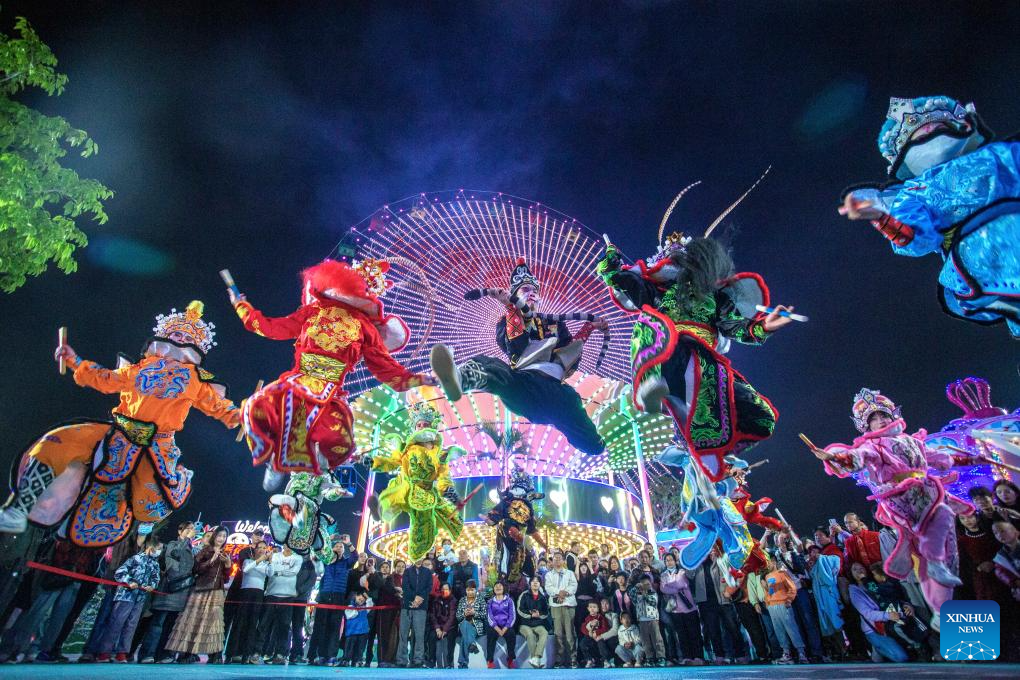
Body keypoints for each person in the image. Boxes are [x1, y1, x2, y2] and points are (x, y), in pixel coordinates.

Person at [0, 302, 239, 542]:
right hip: (118, 431)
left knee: (150, 504)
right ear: (165, 336)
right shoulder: (139, 368)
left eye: (188, 338)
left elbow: (218, 406)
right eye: (177, 334)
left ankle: (180, 479)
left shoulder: (197, 381)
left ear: (197, 346)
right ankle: (19, 509)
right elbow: (106, 379)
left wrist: (245, 415)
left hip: (157, 446)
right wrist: (74, 361)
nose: (181, 340)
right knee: (58, 442)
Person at [597, 199, 794, 482]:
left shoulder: (715, 297)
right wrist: (612, 263)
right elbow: (621, 280)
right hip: (666, 346)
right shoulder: (658, 291)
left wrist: (764, 326)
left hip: (707, 364)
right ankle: (654, 379)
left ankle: (712, 450)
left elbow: (734, 326)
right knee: (664, 333)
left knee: (763, 418)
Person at [230, 258, 432, 490]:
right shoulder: (314, 311)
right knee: (256, 407)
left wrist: (421, 379)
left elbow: (386, 368)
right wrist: (241, 306)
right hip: (297, 381)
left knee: (337, 440)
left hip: (329, 393)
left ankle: (315, 475)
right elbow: (272, 328)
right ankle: (274, 460)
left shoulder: (366, 328)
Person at [839, 95, 1020, 338]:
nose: (928, 132)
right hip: (977, 257)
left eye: (935, 127)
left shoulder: (997, 154)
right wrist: (880, 218)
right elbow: (918, 239)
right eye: (919, 135)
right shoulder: (914, 192)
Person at [809, 388, 981, 625]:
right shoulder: (873, 445)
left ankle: (942, 609)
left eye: (883, 415)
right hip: (902, 498)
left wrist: (973, 458)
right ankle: (937, 575)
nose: (880, 420)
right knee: (939, 522)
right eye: (874, 419)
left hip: (927, 491)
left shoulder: (912, 441)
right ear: (866, 426)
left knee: (947, 545)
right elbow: (857, 457)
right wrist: (834, 457)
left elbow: (941, 458)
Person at [430, 258, 607, 456]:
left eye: (534, 290)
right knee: (494, 367)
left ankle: (594, 444)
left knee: (575, 409)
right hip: (525, 385)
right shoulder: (504, 322)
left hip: (555, 391)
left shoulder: (555, 324)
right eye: (524, 290)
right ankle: (459, 378)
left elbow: (568, 352)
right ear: (515, 294)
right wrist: (511, 308)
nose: (531, 293)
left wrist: (589, 327)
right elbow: (517, 347)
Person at [368, 403, 463, 561]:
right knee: (393, 498)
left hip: (426, 493)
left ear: (432, 427)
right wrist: (373, 462)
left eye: (425, 424)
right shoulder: (406, 449)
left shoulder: (440, 454)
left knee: (426, 524)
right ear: (414, 428)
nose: (422, 427)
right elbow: (392, 462)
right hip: (406, 486)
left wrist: (449, 492)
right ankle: (380, 511)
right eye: (419, 425)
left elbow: (443, 476)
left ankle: (417, 558)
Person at [165, 525, 232, 663]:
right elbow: (196, 569)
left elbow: (225, 579)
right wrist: (212, 560)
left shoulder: (225, 553)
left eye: (224, 536)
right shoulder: (205, 550)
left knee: (214, 623)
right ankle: (187, 653)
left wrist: (228, 565)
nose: (221, 538)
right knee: (194, 620)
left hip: (217, 592)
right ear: (214, 536)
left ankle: (214, 655)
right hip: (201, 590)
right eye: (219, 535)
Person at [95, 534, 163, 663]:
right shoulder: (135, 559)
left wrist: (151, 586)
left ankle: (122, 653)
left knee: (131, 625)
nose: (159, 551)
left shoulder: (155, 564)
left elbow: (156, 578)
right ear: (150, 548)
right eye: (158, 549)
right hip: (125, 596)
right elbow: (120, 572)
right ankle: (104, 652)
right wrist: (129, 581)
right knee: (116, 622)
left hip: (140, 598)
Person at [141, 522, 196, 663]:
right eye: (188, 529)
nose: (191, 531)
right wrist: (186, 540)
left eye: (192, 529)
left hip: (182, 591)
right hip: (168, 589)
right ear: (180, 531)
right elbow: (174, 555)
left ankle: (163, 654)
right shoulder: (173, 544)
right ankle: (147, 653)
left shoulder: (192, 549)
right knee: (157, 624)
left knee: (170, 626)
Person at [484, 464, 548, 582]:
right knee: (506, 556)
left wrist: (544, 546)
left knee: (525, 562)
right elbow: (493, 518)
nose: (518, 493)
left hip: (519, 540)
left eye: (521, 490)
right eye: (516, 489)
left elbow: (532, 531)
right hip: (507, 535)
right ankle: (505, 578)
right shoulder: (506, 502)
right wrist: (489, 520)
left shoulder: (528, 509)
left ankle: (523, 577)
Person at [847, 562, 908, 663]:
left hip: (892, 624)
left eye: (861, 567)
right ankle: (878, 649)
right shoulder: (854, 591)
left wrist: (906, 605)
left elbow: (893, 597)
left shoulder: (874, 582)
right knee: (901, 657)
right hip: (875, 629)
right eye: (855, 569)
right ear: (851, 574)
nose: (859, 570)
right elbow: (867, 613)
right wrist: (888, 615)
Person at [310, 535, 356, 665]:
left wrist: (349, 543)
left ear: (343, 550)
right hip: (325, 596)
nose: (339, 548)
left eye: (341, 547)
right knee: (322, 626)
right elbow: (316, 555)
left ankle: (331, 656)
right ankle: (321, 655)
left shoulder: (346, 563)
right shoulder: (326, 562)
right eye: (337, 546)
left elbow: (355, 557)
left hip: (339, 597)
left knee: (335, 628)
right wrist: (327, 540)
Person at [257, 545, 302, 664]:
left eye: (290, 543)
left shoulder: (298, 558)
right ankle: (256, 652)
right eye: (286, 543)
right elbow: (270, 572)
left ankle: (280, 654)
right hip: (271, 594)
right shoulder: (275, 556)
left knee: (284, 627)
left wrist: (279, 571)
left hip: (288, 596)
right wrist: (280, 571)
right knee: (263, 625)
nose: (288, 546)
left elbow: (294, 572)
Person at [228, 540, 270, 664]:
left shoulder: (266, 564)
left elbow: (270, 572)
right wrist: (258, 561)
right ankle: (231, 653)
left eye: (264, 548)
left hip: (258, 595)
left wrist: (268, 561)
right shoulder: (247, 561)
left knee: (252, 624)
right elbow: (246, 569)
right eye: (259, 547)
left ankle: (246, 654)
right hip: (245, 593)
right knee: (239, 622)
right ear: (255, 549)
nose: (261, 550)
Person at [659, 554, 703, 665]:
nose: (669, 562)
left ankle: (698, 656)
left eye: (671, 560)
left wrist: (670, 586)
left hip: (689, 607)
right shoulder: (663, 574)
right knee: (682, 635)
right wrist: (676, 589)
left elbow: (683, 583)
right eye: (667, 560)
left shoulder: (682, 572)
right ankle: (687, 657)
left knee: (694, 633)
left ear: (675, 561)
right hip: (675, 609)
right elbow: (663, 588)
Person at [763, 559, 808, 665]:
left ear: (773, 562)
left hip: (783, 604)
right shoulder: (767, 576)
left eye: (768, 563)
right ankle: (786, 654)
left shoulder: (782, 573)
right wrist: (768, 602)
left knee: (792, 629)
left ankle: (801, 653)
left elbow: (792, 587)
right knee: (779, 631)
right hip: (772, 606)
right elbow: (768, 592)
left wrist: (788, 600)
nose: (767, 565)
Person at [806, 545, 844, 660]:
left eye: (815, 551)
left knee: (836, 621)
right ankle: (834, 651)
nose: (813, 554)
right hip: (819, 598)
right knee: (826, 624)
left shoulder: (828, 559)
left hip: (829, 595)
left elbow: (835, 565)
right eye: (811, 552)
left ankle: (843, 650)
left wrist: (822, 558)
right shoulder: (812, 566)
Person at [397, 557, 432, 668]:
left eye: (421, 556)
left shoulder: (427, 572)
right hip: (407, 606)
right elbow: (405, 587)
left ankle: (418, 660)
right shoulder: (407, 571)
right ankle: (401, 660)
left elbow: (429, 587)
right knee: (403, 634)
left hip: (421, 606)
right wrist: (414, 598)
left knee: (419, 635)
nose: (419, 558)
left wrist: (420, 598)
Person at [544, 552, 578, 668]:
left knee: (570, 633)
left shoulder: (570, 573)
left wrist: (565, 593)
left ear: (563, 561)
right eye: (555, 559)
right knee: (558, 633)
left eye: (559, 558)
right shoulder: (548, 575)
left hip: (569, 604)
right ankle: (559, 660)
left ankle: (573, 658)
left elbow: (574, 586)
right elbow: (548, 588)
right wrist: (560, 593)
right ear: (552, 561)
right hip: (555, 606)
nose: (557, 560)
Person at [629, 573, 666, 666]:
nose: (645, 586)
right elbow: (630, 595)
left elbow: (653, 602)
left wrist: (645, 593)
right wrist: (636, 588)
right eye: (643, 584)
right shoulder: (637, 594)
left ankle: (661, 657)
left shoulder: (653, 592)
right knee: (645, 641)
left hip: (653, 619)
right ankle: (649, 658)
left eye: (647, 584)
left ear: (650, 583)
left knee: (657, 639)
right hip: (642, 620)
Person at [516, 576, 551, 668]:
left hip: (538, 623)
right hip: (524, 624)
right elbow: (519, 610)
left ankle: (536, 658)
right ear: (530, 583)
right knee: (530, 635)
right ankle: (535, 659)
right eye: (533, 581)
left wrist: (539, 615)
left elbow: (546, 612)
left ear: (540, 584)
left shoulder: (543, 597)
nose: (535, 583)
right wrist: (530, 615)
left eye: (537, 581)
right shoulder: (524, 595)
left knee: (544, 632)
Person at [375, 560, 403, 668]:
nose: (385, 569)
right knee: (382, 635)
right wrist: (396, 589)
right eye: (383, 567)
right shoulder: (378, 577)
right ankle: (381, 659)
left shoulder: (390, 578)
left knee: (391, 636)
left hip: (393, 610)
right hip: (382, 610)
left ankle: (389, 659)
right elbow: (387, 588)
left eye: (387, 567)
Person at [455, 579, 486, 669]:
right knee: (465, 623)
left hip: (475, 626)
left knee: (464, 638)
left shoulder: (480, 600)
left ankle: (462, 663)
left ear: (475, 590)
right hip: (463, 625)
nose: (470, 592)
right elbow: (458, 616)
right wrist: (464, 614)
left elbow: (484, 615)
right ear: (465, 590)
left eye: (472, 590)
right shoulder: (462, 600)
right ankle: (472, 644)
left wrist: (474, 613)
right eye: (468, 590)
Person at [485, 580, 517, 668]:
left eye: (500, 585)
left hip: (506, 625)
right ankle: (490, 661)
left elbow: (512, 616)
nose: (498, 587)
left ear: (504, 588)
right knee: (490, 635)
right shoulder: (490, 602)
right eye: (496, 586)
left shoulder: (509, 601)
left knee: (511, 634)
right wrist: (498, 629)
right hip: (494, 626)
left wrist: (505, 628)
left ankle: (510, 659)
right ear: (493, 589)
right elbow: (490, 617)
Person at [429, 582, 458, 668]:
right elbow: (433, 615)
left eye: (446, 589)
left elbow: (452, 617)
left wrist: (445, 630)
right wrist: (437, 628)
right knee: (431, 636)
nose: (444, 591)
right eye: (442, 589)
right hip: (439, 627)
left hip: (450, 627)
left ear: (450, 590)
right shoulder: (436, 600)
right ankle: (432, 661)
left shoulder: (453, 600)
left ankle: (449, 663)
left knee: (451, 638)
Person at [341, 590, 373, 666]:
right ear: (355, 597)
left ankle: (358, 660)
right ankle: (346, 660)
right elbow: (351, 615)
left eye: (363, 599)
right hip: (352, 632)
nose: (361, 600)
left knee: (360, 648)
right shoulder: (349, 607)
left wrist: (367, 597)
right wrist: (357, 608)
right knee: (349, 647)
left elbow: (370, 604)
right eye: (359, 598)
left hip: (363, 631)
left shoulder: (366, 608)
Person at [578, 600, 611, 668]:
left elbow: (605, 628)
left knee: (601, 644)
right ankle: (589, 659)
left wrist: (597, 632)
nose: (592, 609)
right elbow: (583, 628)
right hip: (590, 636)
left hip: (598, 636)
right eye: (590, 607)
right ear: (588, 608)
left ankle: (605, 660)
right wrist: (588, 633)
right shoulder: (587, 618)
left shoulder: (601, 617)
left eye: (594, 607)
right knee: (582, 644)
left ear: (598, 609)